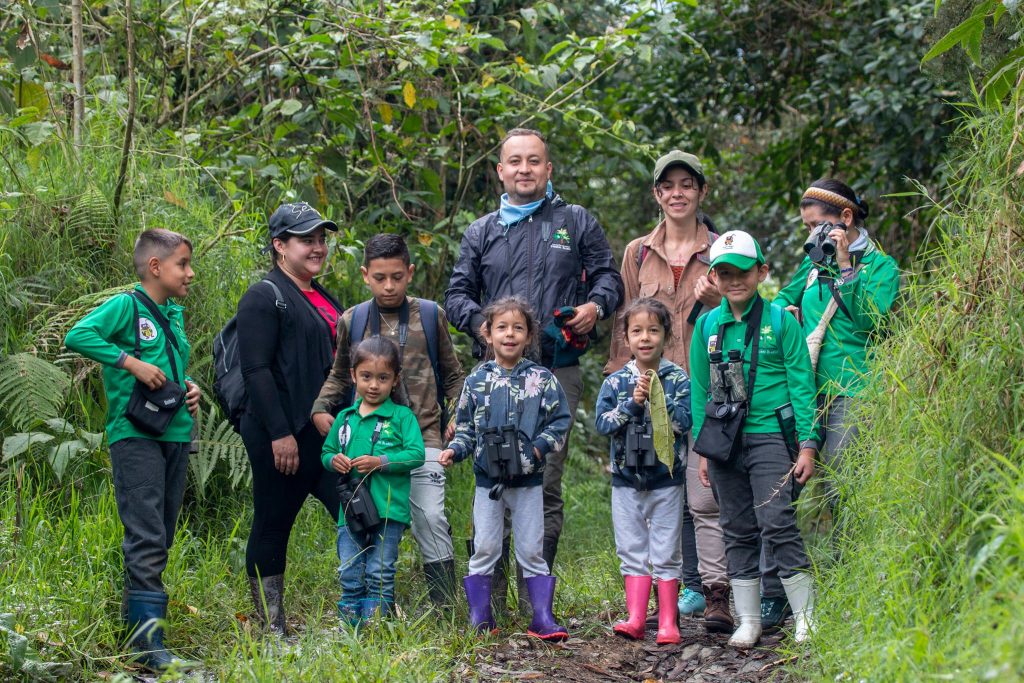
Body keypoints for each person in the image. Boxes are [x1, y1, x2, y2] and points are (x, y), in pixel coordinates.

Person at [445, 128, 624, 578]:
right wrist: (480, 324)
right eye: (516, 161)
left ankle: (535, 594)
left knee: (544, 479)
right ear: (500, 170)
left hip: (555, 370)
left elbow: (609, 278)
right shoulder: (481, 230)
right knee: (492, 474)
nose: (525, 169)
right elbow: (457, 295)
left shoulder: (575, 221)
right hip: (493, 375)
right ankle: (491, 592)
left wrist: (594, 306)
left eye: (534, 161)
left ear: (548, 168)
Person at [759, 179, 900, 629]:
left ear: (845, 219)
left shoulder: (882, 266)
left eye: (819, 226)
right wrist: (787, 313)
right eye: (808, 229)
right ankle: (774, 593)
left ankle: (850, 584)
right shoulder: (811, 264)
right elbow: (781, 301)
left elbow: (870, 320)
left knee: (843, 484)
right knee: (780, 486)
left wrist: (844, 266)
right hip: (805, 387)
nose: (813, 236)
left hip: (855, 388)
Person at [605, 150, 732, 632]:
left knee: (705, 494)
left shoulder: (722, 247)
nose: (677, 193)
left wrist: (718, 300)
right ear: (657, 194)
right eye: (668, 186)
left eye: (687, 184)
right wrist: (620, 393)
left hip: (709, 384)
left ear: (701, 191)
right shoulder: (638, 251)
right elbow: (625, 324)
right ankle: (677, 594)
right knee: (660, 488)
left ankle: (718, 592)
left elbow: (747, 309)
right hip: (648, 387)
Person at [64, 229, 201, 671]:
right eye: (183, 264)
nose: (190, 273)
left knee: (161, 532)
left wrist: (189, 388)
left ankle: (141, 633)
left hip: (176, 432)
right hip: (137, 435)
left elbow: (169, 364)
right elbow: (78, 335)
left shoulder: (174, 314)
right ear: (156, 267)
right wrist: (130, 363)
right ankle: (147, 647)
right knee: (146, 534)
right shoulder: (127, 306)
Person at [311, 233, 465, 606]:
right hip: (371, 443)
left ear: (409, 272)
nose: (389, 285)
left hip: (425, 434)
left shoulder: (430, 315)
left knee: (429, 516)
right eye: (380, 277)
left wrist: (459, 415)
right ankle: (371, 604)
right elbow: (339, 373)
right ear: (365, 275)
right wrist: (320, 408)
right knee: (370, 521)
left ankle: (443, 606)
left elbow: (454, 374)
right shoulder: (353, 319)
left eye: (397, 276)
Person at [690, 230, 819, 648]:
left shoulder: (781, 321)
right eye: (724, 273)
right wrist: (703, 451)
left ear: (761, 271)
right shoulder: (708, 325)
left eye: (743, 271)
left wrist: (807, 444)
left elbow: (803, 385)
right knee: (736, 528)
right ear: (714, 277)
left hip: (769, 438)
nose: (734, 281)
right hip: (725, 441)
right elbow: (699, 390)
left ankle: (806, 618)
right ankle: (748, 620)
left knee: (777, 522)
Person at [236, 202, 343, 634]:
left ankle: (362, 612)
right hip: (279, 432)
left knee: (356, 510)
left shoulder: (322, 295)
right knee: (273, 520)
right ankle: (269, 627)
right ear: (280, 246)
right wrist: (281, 434)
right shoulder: (264, 296)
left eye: (321, 239)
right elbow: (255, 370)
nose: (318, 247)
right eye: (307, 240)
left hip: (323, 432)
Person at [438, 297, 571, 641]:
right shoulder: (477, 379)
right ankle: (480, 618)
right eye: (501, 327)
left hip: (528, 482)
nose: (509, 334)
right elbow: (465, 426)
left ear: (528, 336)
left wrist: (539, 449)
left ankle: (541, 618)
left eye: (518, 328)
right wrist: (455, 449)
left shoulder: (542, 379)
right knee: (485, 547)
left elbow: (560, 421)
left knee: (531, 548)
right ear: (487, 333)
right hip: (488, 482)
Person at [595, 298, 691, 644]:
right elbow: (603, 424)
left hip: (666, 479)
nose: (645, 338)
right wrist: (632, 404)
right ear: (626, 338)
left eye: (654, 330)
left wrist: (657, 399)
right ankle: (636, 616)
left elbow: (686, 420)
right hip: (625, 480)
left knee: (666, 549)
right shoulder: (616, 382)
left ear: (667, 336)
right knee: (631, 547)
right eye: (637, 331)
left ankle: (668, 621)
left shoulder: (677, 378)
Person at [322, 336, 425, 626]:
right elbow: (327, 452)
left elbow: (416, 454)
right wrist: (334, 461)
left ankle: (376, 627)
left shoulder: (401, 416)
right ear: (353, 375)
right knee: (350, 568)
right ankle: (350, 627)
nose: (374, 385)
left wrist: (380, 463)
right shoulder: (345, 417)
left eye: (383, 378)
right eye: (366, 376)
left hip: (388, 508)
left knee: (380, 569)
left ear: (395, 380)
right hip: (351, 510)